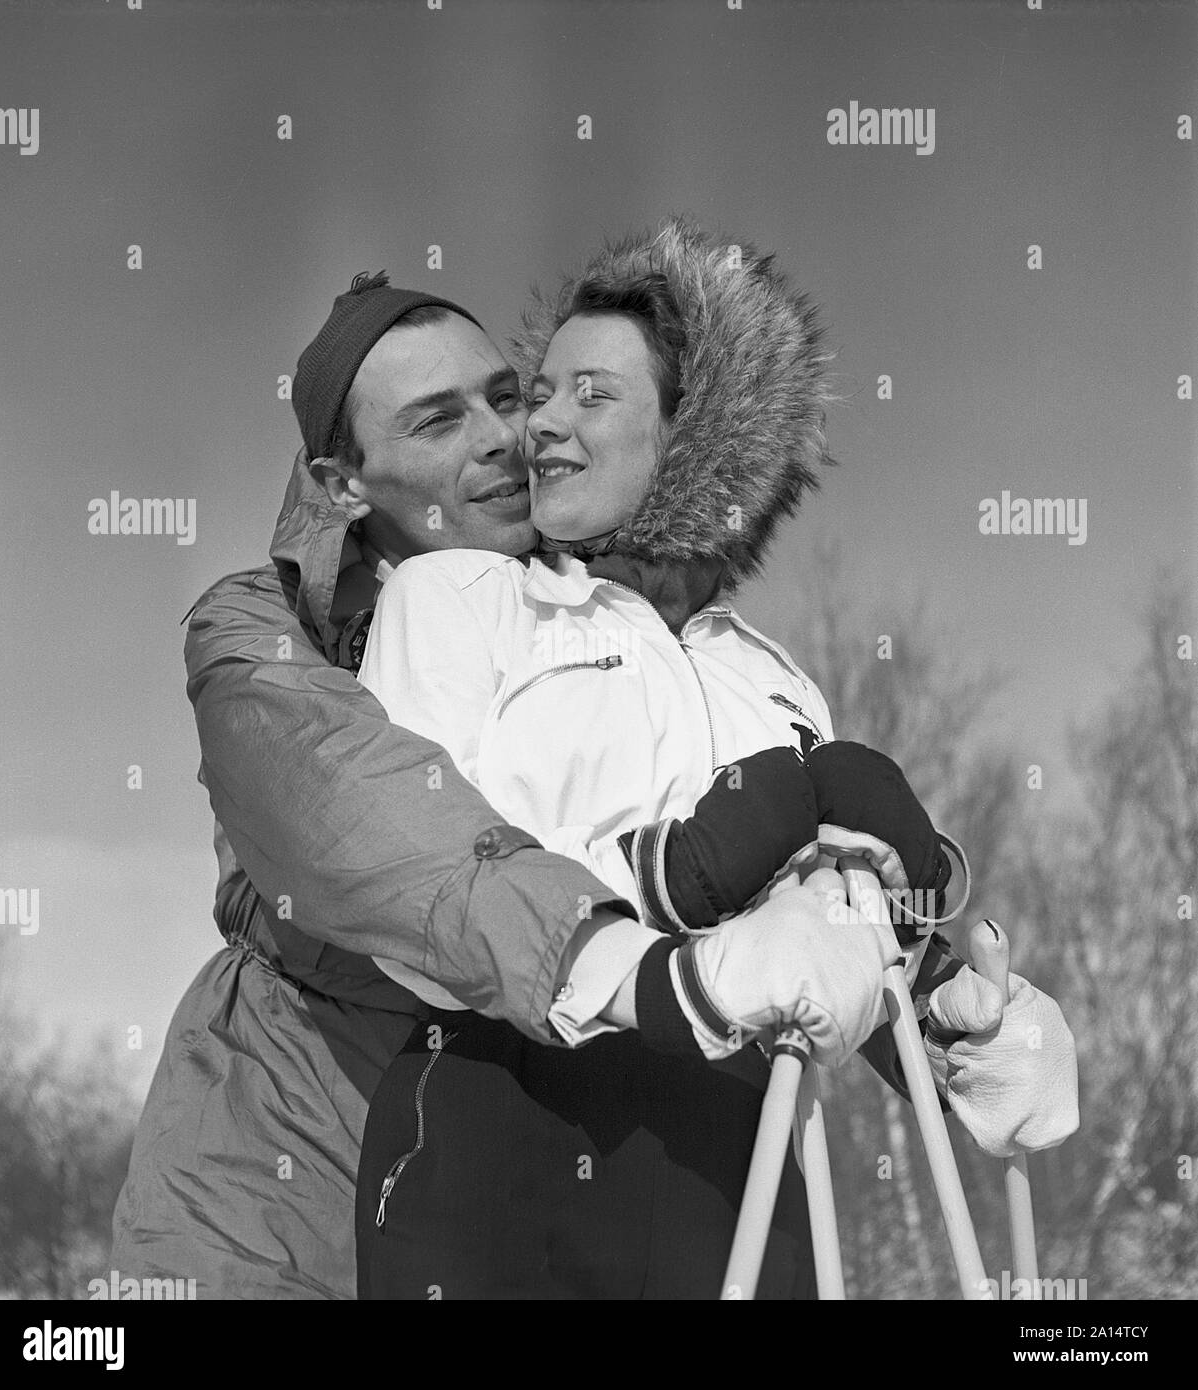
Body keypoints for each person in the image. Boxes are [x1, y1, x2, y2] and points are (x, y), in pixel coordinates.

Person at [109, 267, 894, 1299]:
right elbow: (383, 824)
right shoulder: (262, 635)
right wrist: (639, 970)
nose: (501, 436)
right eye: (439, 420)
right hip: (275, 1191)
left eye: (505, 395)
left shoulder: (581, 627)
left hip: (511, 1184)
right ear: (345, 482)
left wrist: (935, 989)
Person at [349, 221, 1079, 1299]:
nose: (537, 423)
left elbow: (814, 966)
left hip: (734, 1158)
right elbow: (413, 884)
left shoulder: (770, 677)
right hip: (500, 1135)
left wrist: (943, 1019)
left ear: (694, 435)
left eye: (588, 395)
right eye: (538, 391)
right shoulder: (459, 600)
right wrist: (686, 872)